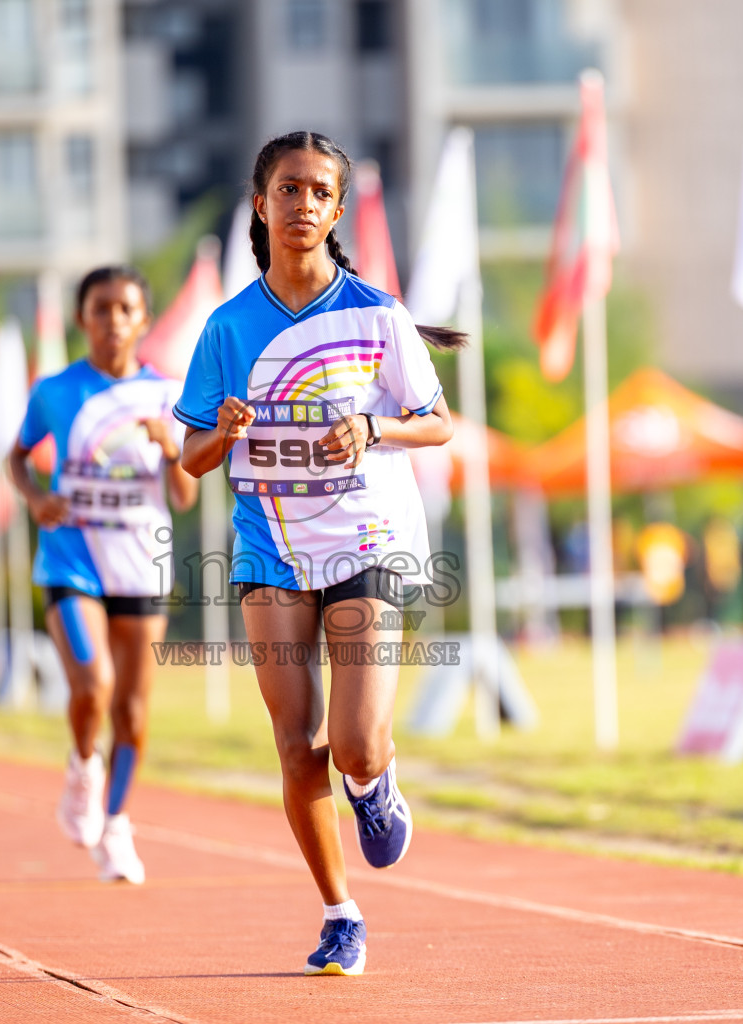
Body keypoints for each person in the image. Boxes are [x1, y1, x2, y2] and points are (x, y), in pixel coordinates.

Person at [175, 131, 463, 976]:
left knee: (353, 746)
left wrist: (374, 426)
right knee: (296, 742)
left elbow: (439, 422)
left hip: (365, 544)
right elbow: (188, 460)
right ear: (259, 205)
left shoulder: (377, 312)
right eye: (287, 190)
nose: (303, 205)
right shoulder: (227, 328)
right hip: (270, 551)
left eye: (319, 192)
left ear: (338, 210)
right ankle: (341, 913)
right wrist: (220, 434)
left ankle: (374, 785)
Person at [8, 266, 198, 885]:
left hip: (141, 565)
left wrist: (172, 448)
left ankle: (116, 824)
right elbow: (15, 457)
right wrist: (36, 499)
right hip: (71, 558)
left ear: (143, 320)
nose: (113, 320)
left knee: (135, 714)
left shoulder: (170, 396)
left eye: (125, 309)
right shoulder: (55, 392)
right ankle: (83, 767)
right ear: (81, 317)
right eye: (101, 308)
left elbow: (186, 495)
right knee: (93, 682)